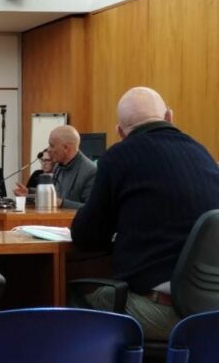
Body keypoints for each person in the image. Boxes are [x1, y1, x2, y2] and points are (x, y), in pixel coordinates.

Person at [71, 87, 219, 340]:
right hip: (211, 314)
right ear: (169, 117)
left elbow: (86, 237)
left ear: (120, 132)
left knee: (72, 302)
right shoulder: (203, 154)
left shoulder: (117, 157)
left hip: (163, 313)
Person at [16, 125, 95, 208]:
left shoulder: (90, 172)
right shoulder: (58, 166)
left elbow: (93, 209)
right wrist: (29, 193)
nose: (48, 149)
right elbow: (53, 194)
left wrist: (62, 203)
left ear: (66, 148)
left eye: (52, 145)